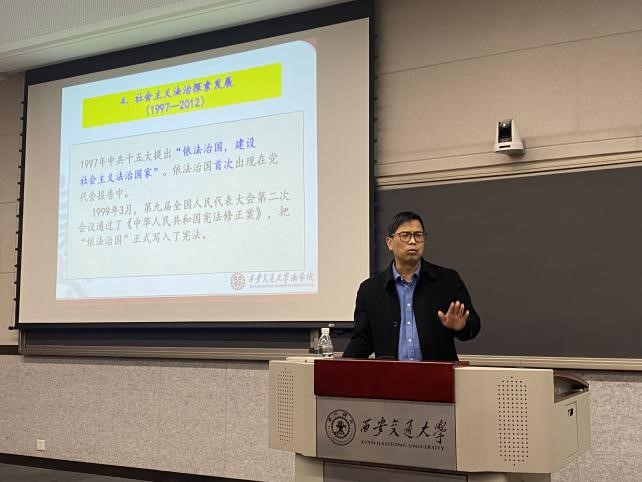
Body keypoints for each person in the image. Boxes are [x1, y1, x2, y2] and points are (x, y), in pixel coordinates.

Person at [342, 211, 480, 361]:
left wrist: (461, 327)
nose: (413, 241)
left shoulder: (447, 280)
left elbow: (473, 326)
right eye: (405, 235)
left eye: (418, 235)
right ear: (389, 242)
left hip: (437, 373)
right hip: (390, 374)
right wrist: (339, 368)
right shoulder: (370, 290)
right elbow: (362, 340)